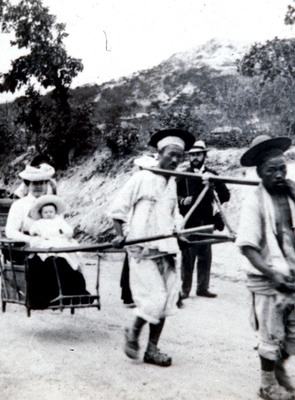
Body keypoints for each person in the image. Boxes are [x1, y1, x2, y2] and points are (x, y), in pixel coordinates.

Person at [236, 135, 295, 400]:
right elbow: (248, 247)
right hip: (269, 278)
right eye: (272, 170)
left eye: (282, 168)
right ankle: (267, 384)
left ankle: (278, 366)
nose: (279, 174)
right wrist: (274, 275)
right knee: (271, 334)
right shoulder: (254, 202)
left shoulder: (292, 195)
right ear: (259, 172)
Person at [107, 128, 194, 367]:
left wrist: (180, 233)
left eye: (180, 156)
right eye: (170, 154)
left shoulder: (173, 182)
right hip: (142, 247)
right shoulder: (143, 177)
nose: (175, 160)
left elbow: (174, 213)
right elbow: (118, 208)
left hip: (166, 248)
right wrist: (119, 235)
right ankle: (133, 331)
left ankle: (152, 350)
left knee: (167, 302)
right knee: (153, 299)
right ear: (159, 153)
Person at [6, 164, 89, 309]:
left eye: (42, 182)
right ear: (27, 184)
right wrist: (31, 239)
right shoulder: (19, 205)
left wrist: (65, 236)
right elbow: (10, 232)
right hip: (30, 245)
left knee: (67, 257)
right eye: (35, 183)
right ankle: (51, 297)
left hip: (55, 243)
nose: (39, 186)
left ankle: (73, 295)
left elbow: (60, 225)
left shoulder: (52, 204)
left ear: (47, 184)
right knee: (51, 260)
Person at [176, 140, 230, 306]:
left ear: (204, 156)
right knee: (188, 256)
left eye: (198, 155)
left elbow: (226, 195)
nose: (195, 158)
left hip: (207, 220)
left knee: (205, 255)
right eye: (192, 155)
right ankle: (185, 289)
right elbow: (173, 197)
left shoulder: (212, 174)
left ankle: (202, 287)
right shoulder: (184, 176)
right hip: (190, 221)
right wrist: (183, 201)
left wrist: (213, 189)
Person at [29, 194, 84, 272]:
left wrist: (68, 233)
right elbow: (33, 230)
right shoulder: (39, 222)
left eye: (51, 212)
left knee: (68, 248)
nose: (48, 214)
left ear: (55, 212)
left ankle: (74, 265)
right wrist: (34, 233)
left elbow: (67, 228)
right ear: (41, 214)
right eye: (46, 212)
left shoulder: (58, 220)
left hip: (58, 238)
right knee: (44, 247)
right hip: (46, 239)